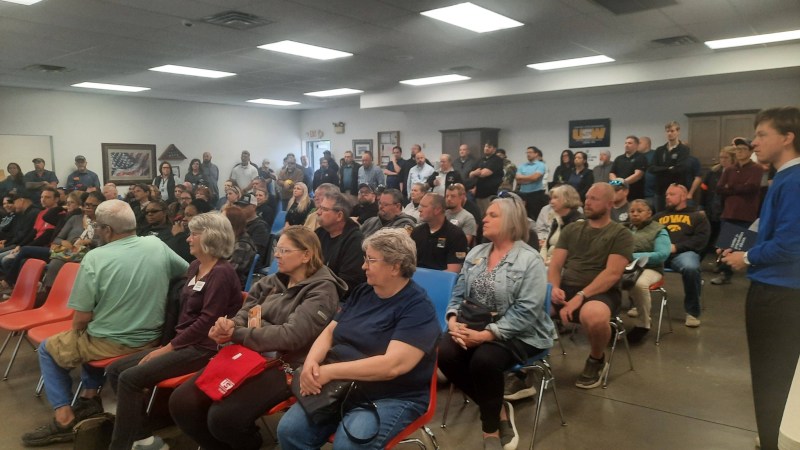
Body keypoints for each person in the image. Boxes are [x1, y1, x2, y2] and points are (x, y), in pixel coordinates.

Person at [21, 200, 189, 447]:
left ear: (107, 230)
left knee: (49, 348)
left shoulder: (95, 258)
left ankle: (64, 419)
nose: (97, 231)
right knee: (90, 334)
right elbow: (186, 272)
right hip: (153, 338)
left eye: (98, 227)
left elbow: (81, 319)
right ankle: (90, 397)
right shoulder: (156, 245)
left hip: (114, 342)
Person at [170, 226, 346, 450]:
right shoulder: (272, 281)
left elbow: (291, 337)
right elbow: (248, 311)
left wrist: (238, 333)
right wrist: (229, 325)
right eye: (276, 248)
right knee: (182, 402)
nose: (276, 255)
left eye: (284, 250)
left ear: (306, 255)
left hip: (288, 363)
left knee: (224, 418)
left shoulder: (323, 290)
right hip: (251, 352)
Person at [276, 228, 440, 450]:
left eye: (371, 260)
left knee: (348, 445)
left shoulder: (418, 308)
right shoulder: (364, 292)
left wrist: (328, 372)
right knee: (289, 431)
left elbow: (391, 366)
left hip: (391, 394)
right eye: (365, 259)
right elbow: (330, 331)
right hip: (344, 383)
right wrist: (311, 363)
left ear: (395, 266)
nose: (364, 266)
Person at [105, 212, 242, 450]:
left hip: (206, 348)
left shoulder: (221, 273)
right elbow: (186, 314)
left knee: (129, 378)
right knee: (115, 370)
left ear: (210, 237)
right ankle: (144, 438)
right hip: (185, 343)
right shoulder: (195, 266)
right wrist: (171, 345)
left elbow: (207, 322)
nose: (188, 239)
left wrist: (168, 348)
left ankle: (120, 446)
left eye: (193, 234)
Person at [438, 193, 553, 450]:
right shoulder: (477, 252)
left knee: (484, 360)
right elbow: (458, 293)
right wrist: (453, 319)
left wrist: (488, 335)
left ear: (511, 222)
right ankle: (498, 406)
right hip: (473, 323)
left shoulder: (529, 259)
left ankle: (490, 428)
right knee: (444, 352)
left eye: (492, 215)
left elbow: (527, 311)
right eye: (485, 215)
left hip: (521, 331)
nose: (484, 219)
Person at [720, 106, 800, 450]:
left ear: (788, 137)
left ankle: (774, 441)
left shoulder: (794, 179)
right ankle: (773, 435)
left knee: (772, 374)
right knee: (776, 374)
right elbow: (767, 227)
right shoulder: (782, 176)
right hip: (776, 288)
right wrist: (738, 246)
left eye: (762, 134)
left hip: (781, 293)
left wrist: (746, 256)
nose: (754, 141)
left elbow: (792, 243)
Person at [548, 183, 633, 389]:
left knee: (592, 316)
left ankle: (596, 359)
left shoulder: (620, 234)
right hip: (567, 287)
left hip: (601, 292)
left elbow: (612, 274)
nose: (587, 202)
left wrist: (580, 296)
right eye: (587, 197)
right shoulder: (572, 229)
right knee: (529, 305)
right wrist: (553, 288)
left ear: (609, 204)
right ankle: (525, 364)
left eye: (594, 198)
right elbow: (556, 265)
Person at [653, 184, 709, 327]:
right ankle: (637, 305)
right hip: (659, 254)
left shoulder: (697, 216)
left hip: (683, 254)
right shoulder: (659, 216)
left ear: (683, 196)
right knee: (635, 262)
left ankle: (692, 313)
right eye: (666, 194)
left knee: (690, 267)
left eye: (672, 194)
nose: (667, 197)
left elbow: (701, 240)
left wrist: (676, 247)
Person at [712, 142, 764, 285]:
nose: (740, 152)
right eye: (738, 149)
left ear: (750, 151)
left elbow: (752, 188)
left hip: (747, 212)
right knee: (725, 245)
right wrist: (739, 187)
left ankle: (751, 273)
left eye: (743, 149)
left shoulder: (757, 169)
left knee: (744, 244)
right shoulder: (729, 169)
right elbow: (720, 189)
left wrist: (731, 187)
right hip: (729, 212)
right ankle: (724, 273)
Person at [624, 199, 671, 344]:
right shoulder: (624, 228)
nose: (635, 214)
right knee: (606, 280)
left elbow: (662, 254)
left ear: (649, 213)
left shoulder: (659, 230)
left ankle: (643, 323)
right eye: (632, 211)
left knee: (638, 283)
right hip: (624, 267)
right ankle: (609, 321)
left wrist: (633, 257)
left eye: (639, 211)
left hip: (651, 269)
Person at [315, 191, 366, 297]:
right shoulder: (319, 233)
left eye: (324, 209)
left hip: (337, 298)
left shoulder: (355, 241)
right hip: (315, 290)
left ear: (339, 216)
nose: (318, 212)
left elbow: (347, 284)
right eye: (319, 208)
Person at [411, 193, 468, 273]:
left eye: (424, 206)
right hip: (415, 277)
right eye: (420, 206)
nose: (419, 210)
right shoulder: (417, 232)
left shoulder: (456, 235)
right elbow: (408, 263)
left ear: (437, 210)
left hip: (441, 281)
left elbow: (453, 271)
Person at [701, 146, 735, 256]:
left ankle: (722, 263)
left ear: (733, 159)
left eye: (726, 157)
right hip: (711, 208)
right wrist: (701, 206)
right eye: (721, 157)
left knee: (724, 238)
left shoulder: (736, 172)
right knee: (707, 235)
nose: (723, 160)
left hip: (727, 209)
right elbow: (704, 190)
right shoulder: (713, 172)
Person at [649, 121, 691, 211]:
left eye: (672, 131)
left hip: (676, 188)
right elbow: (652, 168)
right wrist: (668, 168)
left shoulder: (683, 149)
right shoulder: (660, 150)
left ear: (678, 132)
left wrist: (661, 169)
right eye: (667, 131)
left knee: (674, 215)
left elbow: (680, 168)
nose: (669, 133)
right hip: (660, 190)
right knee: (660, 216)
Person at [539, 185, 583, 265]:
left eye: (555, 198)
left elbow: (571, 252)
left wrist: (548, 263)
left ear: (567, 199)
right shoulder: (556, 220)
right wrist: (541, 260)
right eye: (551, 198)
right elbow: (545, 246)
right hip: (547, 264)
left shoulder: (578, 222)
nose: (551, 202)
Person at [469, 143, 504, 216]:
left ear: (494, 149)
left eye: (489, 147)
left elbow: (484, 174)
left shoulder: (497, 160)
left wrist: (475, 172)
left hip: (490, 194)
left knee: (489, 215)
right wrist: (475, 172)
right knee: (480, 216)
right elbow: (470, 175)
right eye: (485, 146)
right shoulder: (480, 159)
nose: (486, 148)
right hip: (479, 194)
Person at [609, 136, 647, 201]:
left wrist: (622, 183)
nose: (626, 145)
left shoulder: (641, 158)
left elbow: (638, 175)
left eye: (629, 143)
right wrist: (616, 183)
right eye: (625, 143)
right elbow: (612, 173)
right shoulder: (619, 158)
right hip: (618, 195)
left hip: (634, 195)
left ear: (636, 145)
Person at [516, 146, 548, 220]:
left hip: (536, 194)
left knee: (535, 217)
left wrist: (524, 178)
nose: (528, 154)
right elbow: (518, 180)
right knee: (522, 217)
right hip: (522, 194)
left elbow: (535, 177)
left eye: (530, 152)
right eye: (527, 152)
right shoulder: (522, 166)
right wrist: (531, 179)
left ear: (536, 154)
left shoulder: (541, 165)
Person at [638, 137, 657, 205]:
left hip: (652, 194)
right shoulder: (636, 156)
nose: (637, 144)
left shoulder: (656, 155)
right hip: (637, 194)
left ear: (647, 144)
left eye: (639, 143)